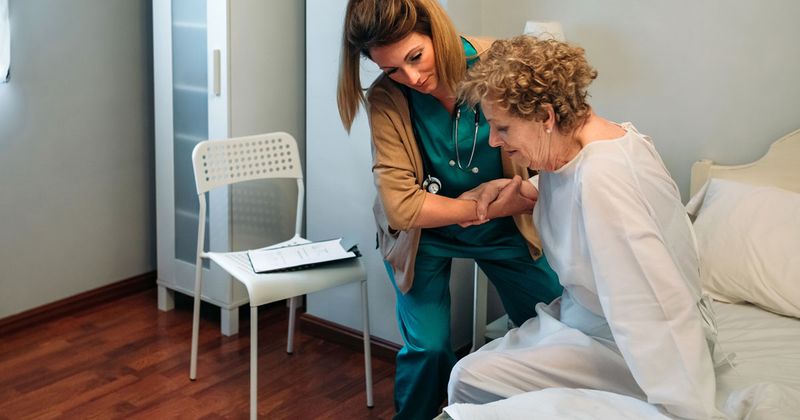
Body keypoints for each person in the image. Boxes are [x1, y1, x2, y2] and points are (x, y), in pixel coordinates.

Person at [447, 35, 724, 419]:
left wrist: (685, 405)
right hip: (586, 320)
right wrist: (523, 190)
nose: (494, 141)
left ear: (545, 116)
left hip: (632, 345)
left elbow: (651, 305)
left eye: (503, 128)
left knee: (469, 378)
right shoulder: (587, 145)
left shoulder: (605, 179)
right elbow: (566, 186)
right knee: (468, 376)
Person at [337, 1, 562, 418]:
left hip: (504, 229)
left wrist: (511, 200)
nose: (413, 78)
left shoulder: (503, 64)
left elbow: (554, 151)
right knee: (429, 348)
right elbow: (401, 207)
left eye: (415, 57)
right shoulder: (388, 99)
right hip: (423, 238)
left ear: (435, 30)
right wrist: (480, 206)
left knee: (552, 326)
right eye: (391, 70)